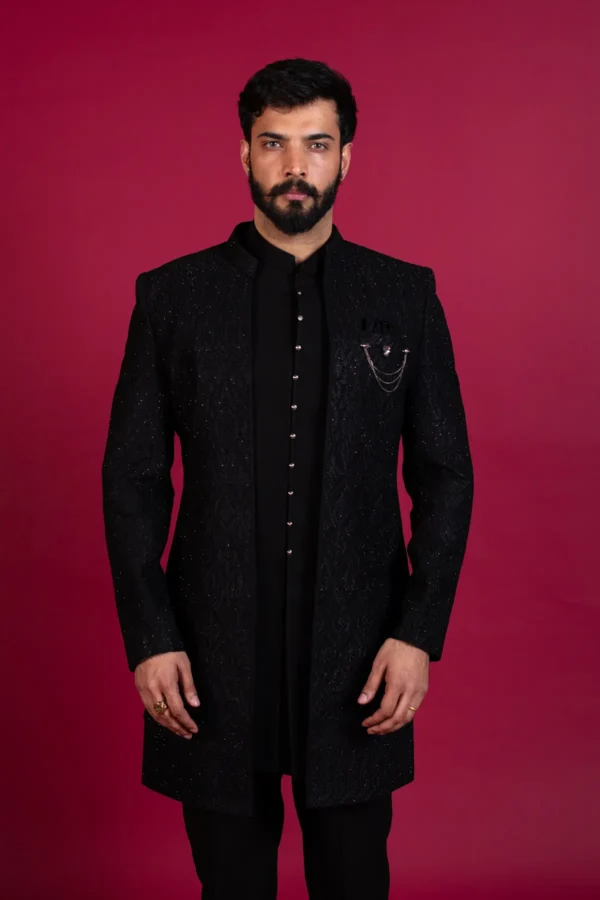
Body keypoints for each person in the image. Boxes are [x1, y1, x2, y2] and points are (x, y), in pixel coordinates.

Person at [101, 57, 474, 899]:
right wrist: (151, 636)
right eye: (274, 143)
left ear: (348, 157)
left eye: (317, 143)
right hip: (209, 657)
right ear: (244, 153)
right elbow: (132, 479)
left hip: (360, 659)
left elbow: (446, 474)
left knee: (354, 879)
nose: (295, 165)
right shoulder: (172, 298)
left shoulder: (404, 295)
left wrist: (418, 634)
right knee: (231, 885)